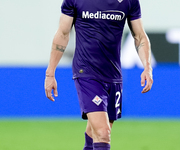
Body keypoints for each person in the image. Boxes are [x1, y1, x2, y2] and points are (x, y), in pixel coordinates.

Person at [44, 0, 153, 149]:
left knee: (94, 133)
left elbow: (140, 36)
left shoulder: (129, 1)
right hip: (86, 73)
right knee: (103, 132)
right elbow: (63, 34)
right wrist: (50, 74)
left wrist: (147, 67)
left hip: (113, 75)